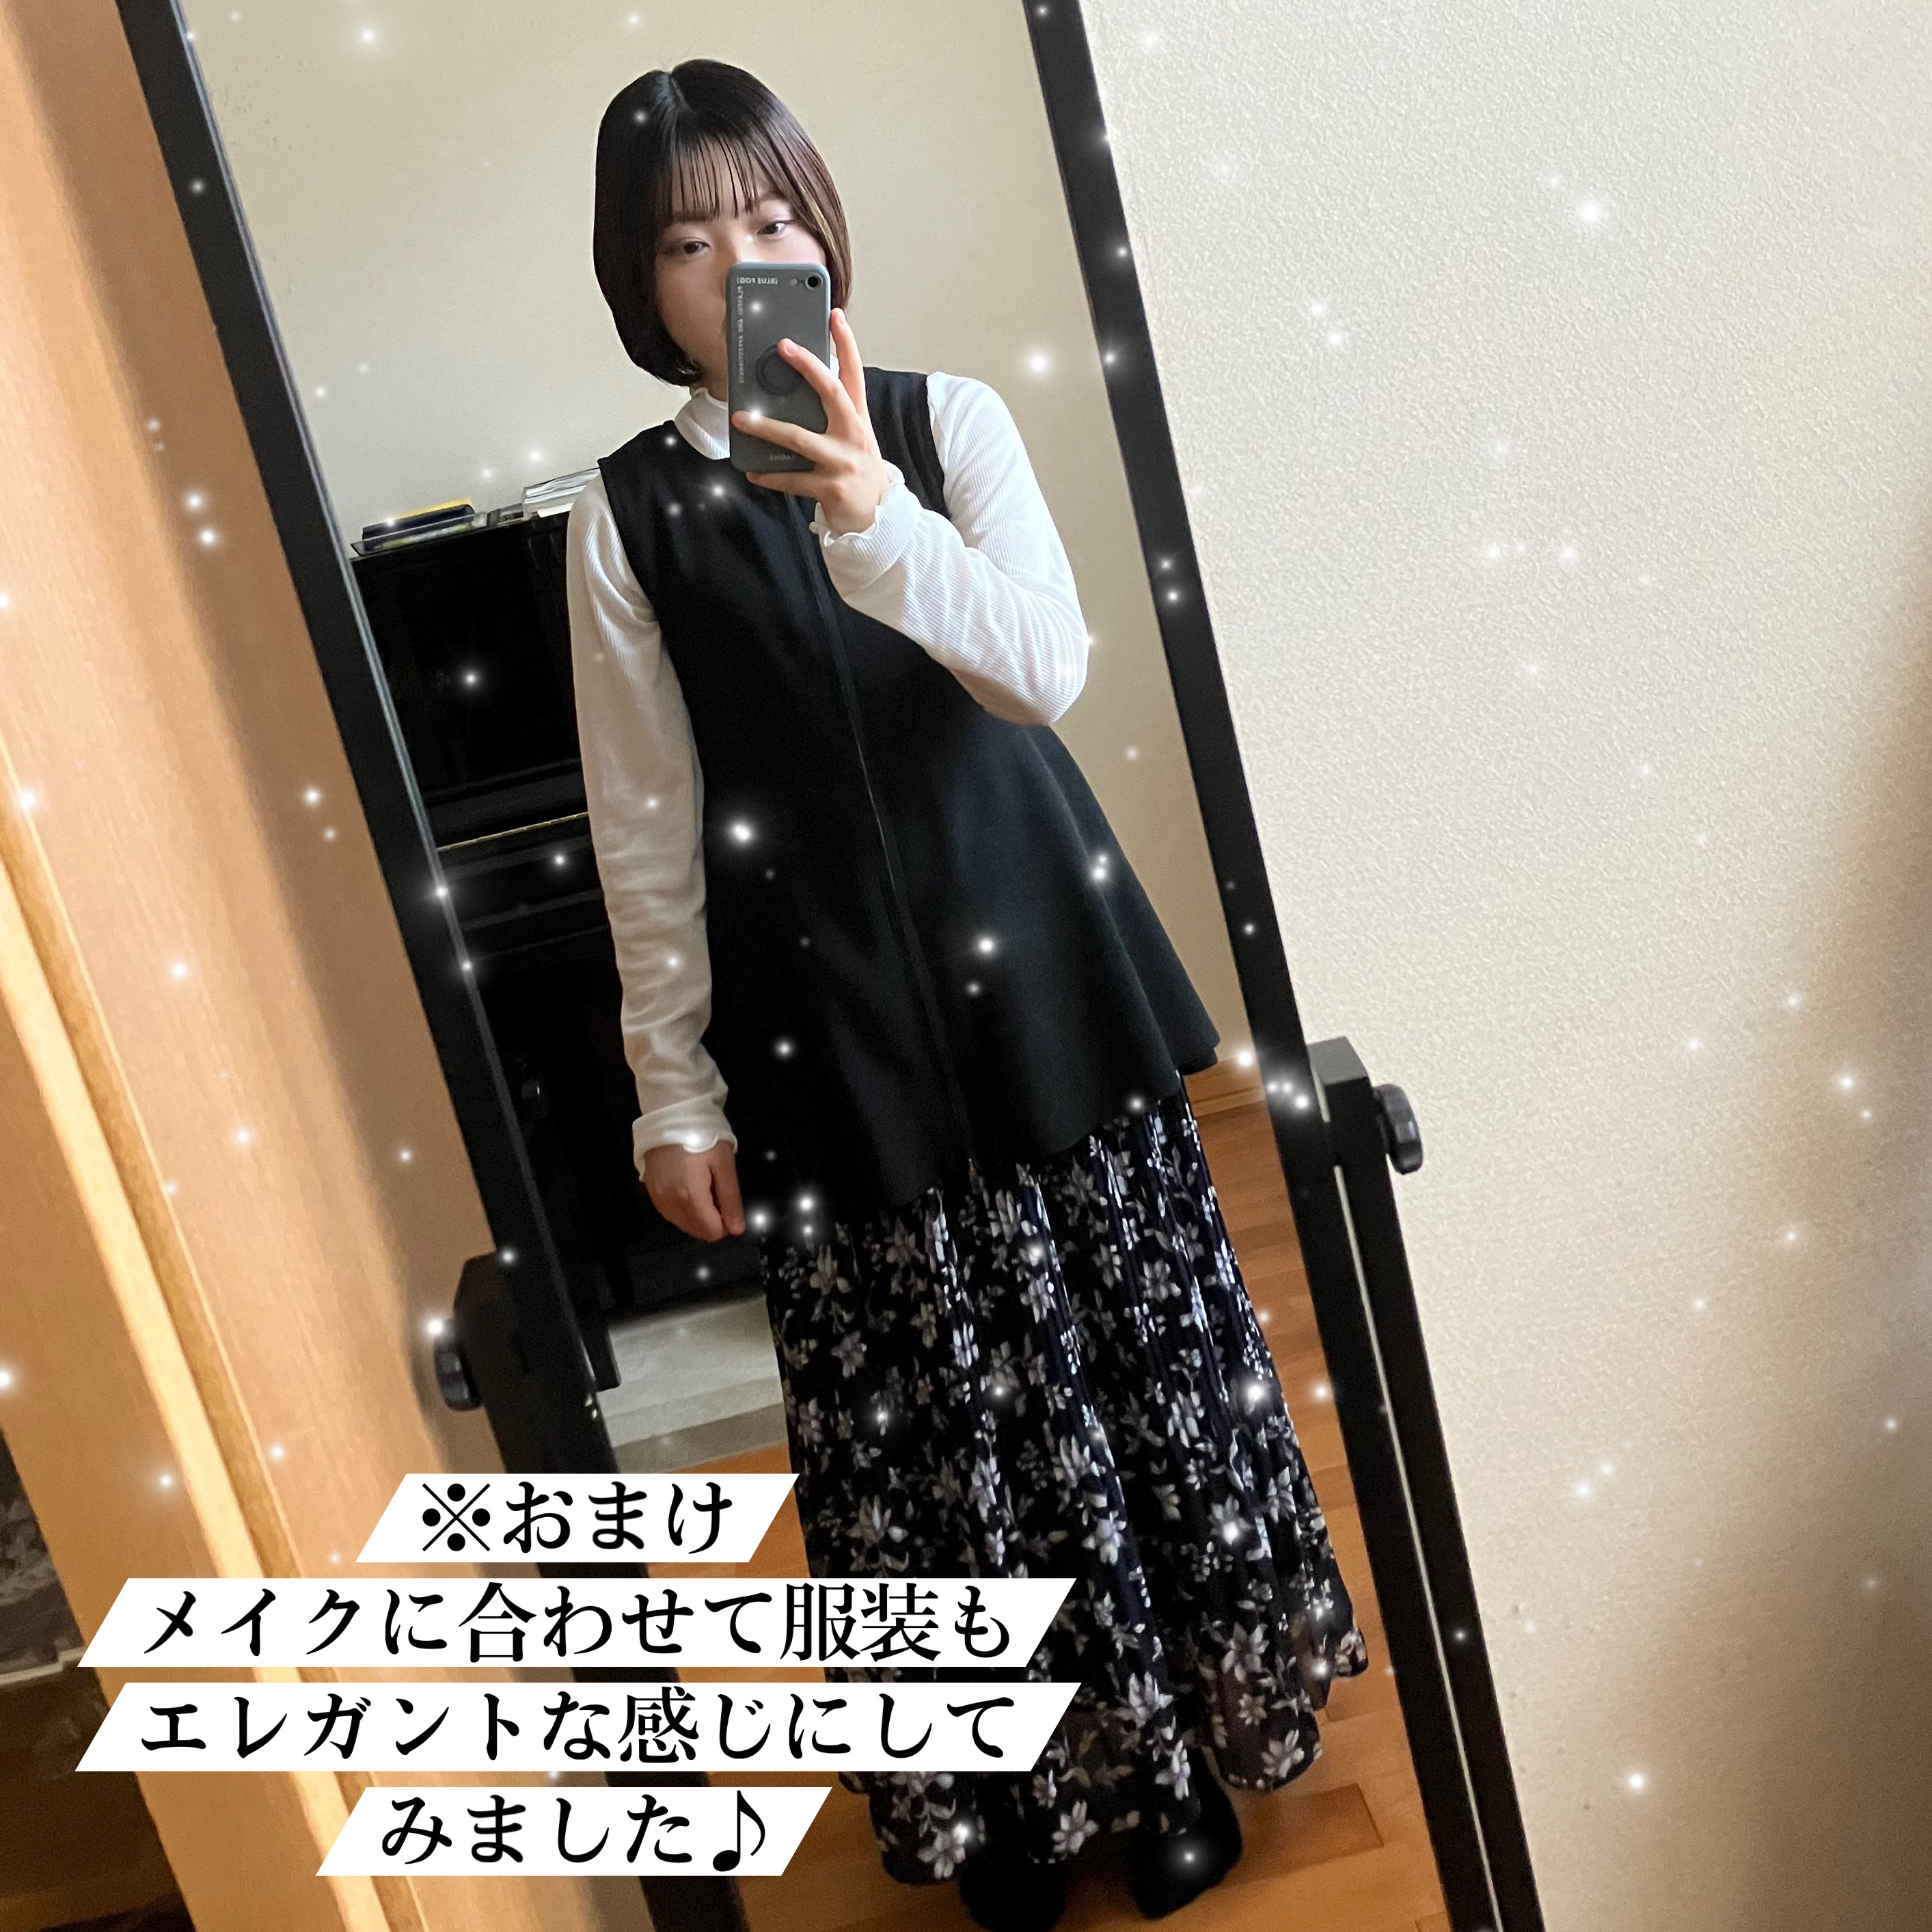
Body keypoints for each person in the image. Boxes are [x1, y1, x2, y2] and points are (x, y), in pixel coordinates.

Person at [566, 57, 1367, 1930]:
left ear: (822, 231)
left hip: (1046, 987)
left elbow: (1043, 670)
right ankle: (1007, 1808)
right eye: (686, 243)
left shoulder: (949, 424)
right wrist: (669, 1086)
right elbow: (642, 826)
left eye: (769, 220)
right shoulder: (624, 517)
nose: (736, 264)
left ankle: (1173, 1761)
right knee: (932, 1447)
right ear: (638, 283)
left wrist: (869, 512)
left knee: (1120, 1387)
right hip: (825, 1027)